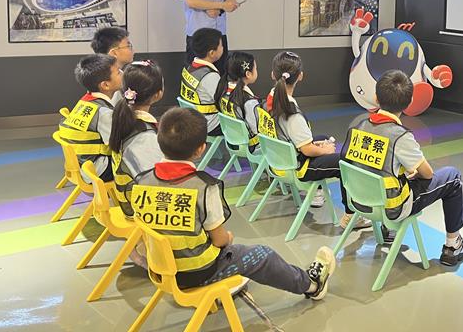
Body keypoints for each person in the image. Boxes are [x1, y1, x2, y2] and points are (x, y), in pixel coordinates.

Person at [132, 107, 336, 299]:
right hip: (198, 272)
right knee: (263, 256)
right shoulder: (204, 187)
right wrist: (228, 238)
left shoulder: (141, 181)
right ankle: (312, 285)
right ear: (201, 149)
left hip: (160, 268)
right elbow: (220, 240)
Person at [342, 69, 463, 266]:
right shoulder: (400, 136)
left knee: (391, 174)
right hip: (391, 208)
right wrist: (413, 172)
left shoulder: (357, 127)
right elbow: (427, 174)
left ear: (375, 97)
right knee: (453, 177)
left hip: (358, 201)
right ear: (410, 102)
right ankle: (453, 246)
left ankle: (388, 230)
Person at [266, 51, 371, 229]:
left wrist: (316, 144)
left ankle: (317, 193)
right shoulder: (292, 112)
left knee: (321, 138)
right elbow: (306, 150)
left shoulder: (269, 100)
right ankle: (351, 216)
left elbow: (292, 138)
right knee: (345, 162)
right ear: (300, 76)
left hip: (277, 160)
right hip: (297, 167)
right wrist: (324, 150)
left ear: (272, 74)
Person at [109, 61, 165, 218]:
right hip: (142, 209)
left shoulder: (123, 117)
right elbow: (157, 182)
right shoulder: (144, 137)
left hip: (129, 197)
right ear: (158, 94)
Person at [58, 54, 123, 182]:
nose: (123, 73)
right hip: (97, 170)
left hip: (81, 165)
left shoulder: (84, 102)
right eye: (118, 72)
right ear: (105, 85)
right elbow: (118, 144)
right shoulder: (104, 113)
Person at [180, 27, 224, 139]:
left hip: (192, 118)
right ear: (212, 53)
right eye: (221, 45)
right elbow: (224, 101)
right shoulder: (210, 76)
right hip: (210, 124)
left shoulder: (190, 68)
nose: (223, 48)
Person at [215, 51, 261, 152]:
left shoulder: (223, 91)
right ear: (248, 74)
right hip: (251, 147)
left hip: (231, 142)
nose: (256, 70)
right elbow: (256, 130)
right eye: (255, 68)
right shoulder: (249, 101)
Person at [91, 26, 134, 103]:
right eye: (128, 46)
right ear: (114, 53)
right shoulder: (111, 80)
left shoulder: (98, 74)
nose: (133, 50)